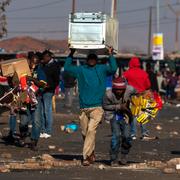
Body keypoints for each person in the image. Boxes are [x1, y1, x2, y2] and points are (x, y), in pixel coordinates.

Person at [64, 47, 117, 166]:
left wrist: (110, 54)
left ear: (96, 60)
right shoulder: (81, 70)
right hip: (84, 107)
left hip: (97, 107)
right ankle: (91, 153)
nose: (92, 60)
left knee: (91, 130)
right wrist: (71, 53)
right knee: (85, 132)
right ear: (87, 60)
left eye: (94, 58)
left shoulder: (102, 69)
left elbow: (113, 69)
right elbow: (67, 68)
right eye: (90, 58)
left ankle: (86, 157)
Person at [103, 77, 135, 166]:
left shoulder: (130, 89)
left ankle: (124, 154)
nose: (119, 92)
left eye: (121, 90)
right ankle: (113, 158)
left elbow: (139, 94)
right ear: (114, 88)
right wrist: (119, 107)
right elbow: (105, 106)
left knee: (127, 136)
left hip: (127, 116)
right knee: (115, 136)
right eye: (117, 90)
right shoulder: (108, 94)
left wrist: (145, 94)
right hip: (114, 116)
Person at [123, 57, 151, 140]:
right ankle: (145, 133)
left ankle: (133, 134)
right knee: (143, 114)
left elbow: (123, 83)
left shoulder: (127, 73)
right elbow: (148, 85)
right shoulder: (144, 73)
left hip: (133, 96)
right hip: (143, 96)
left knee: (134, 115)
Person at [37, 50, 61, 139]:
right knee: (41, 111)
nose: (44, 59)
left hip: (49, 91)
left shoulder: (55, 66)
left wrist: (50, 86)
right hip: (41, 90)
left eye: (45, 57)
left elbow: (57, 80)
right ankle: (42, 130)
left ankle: (48, 130)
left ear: (49, 57)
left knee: (47, 111)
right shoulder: (43, 65)